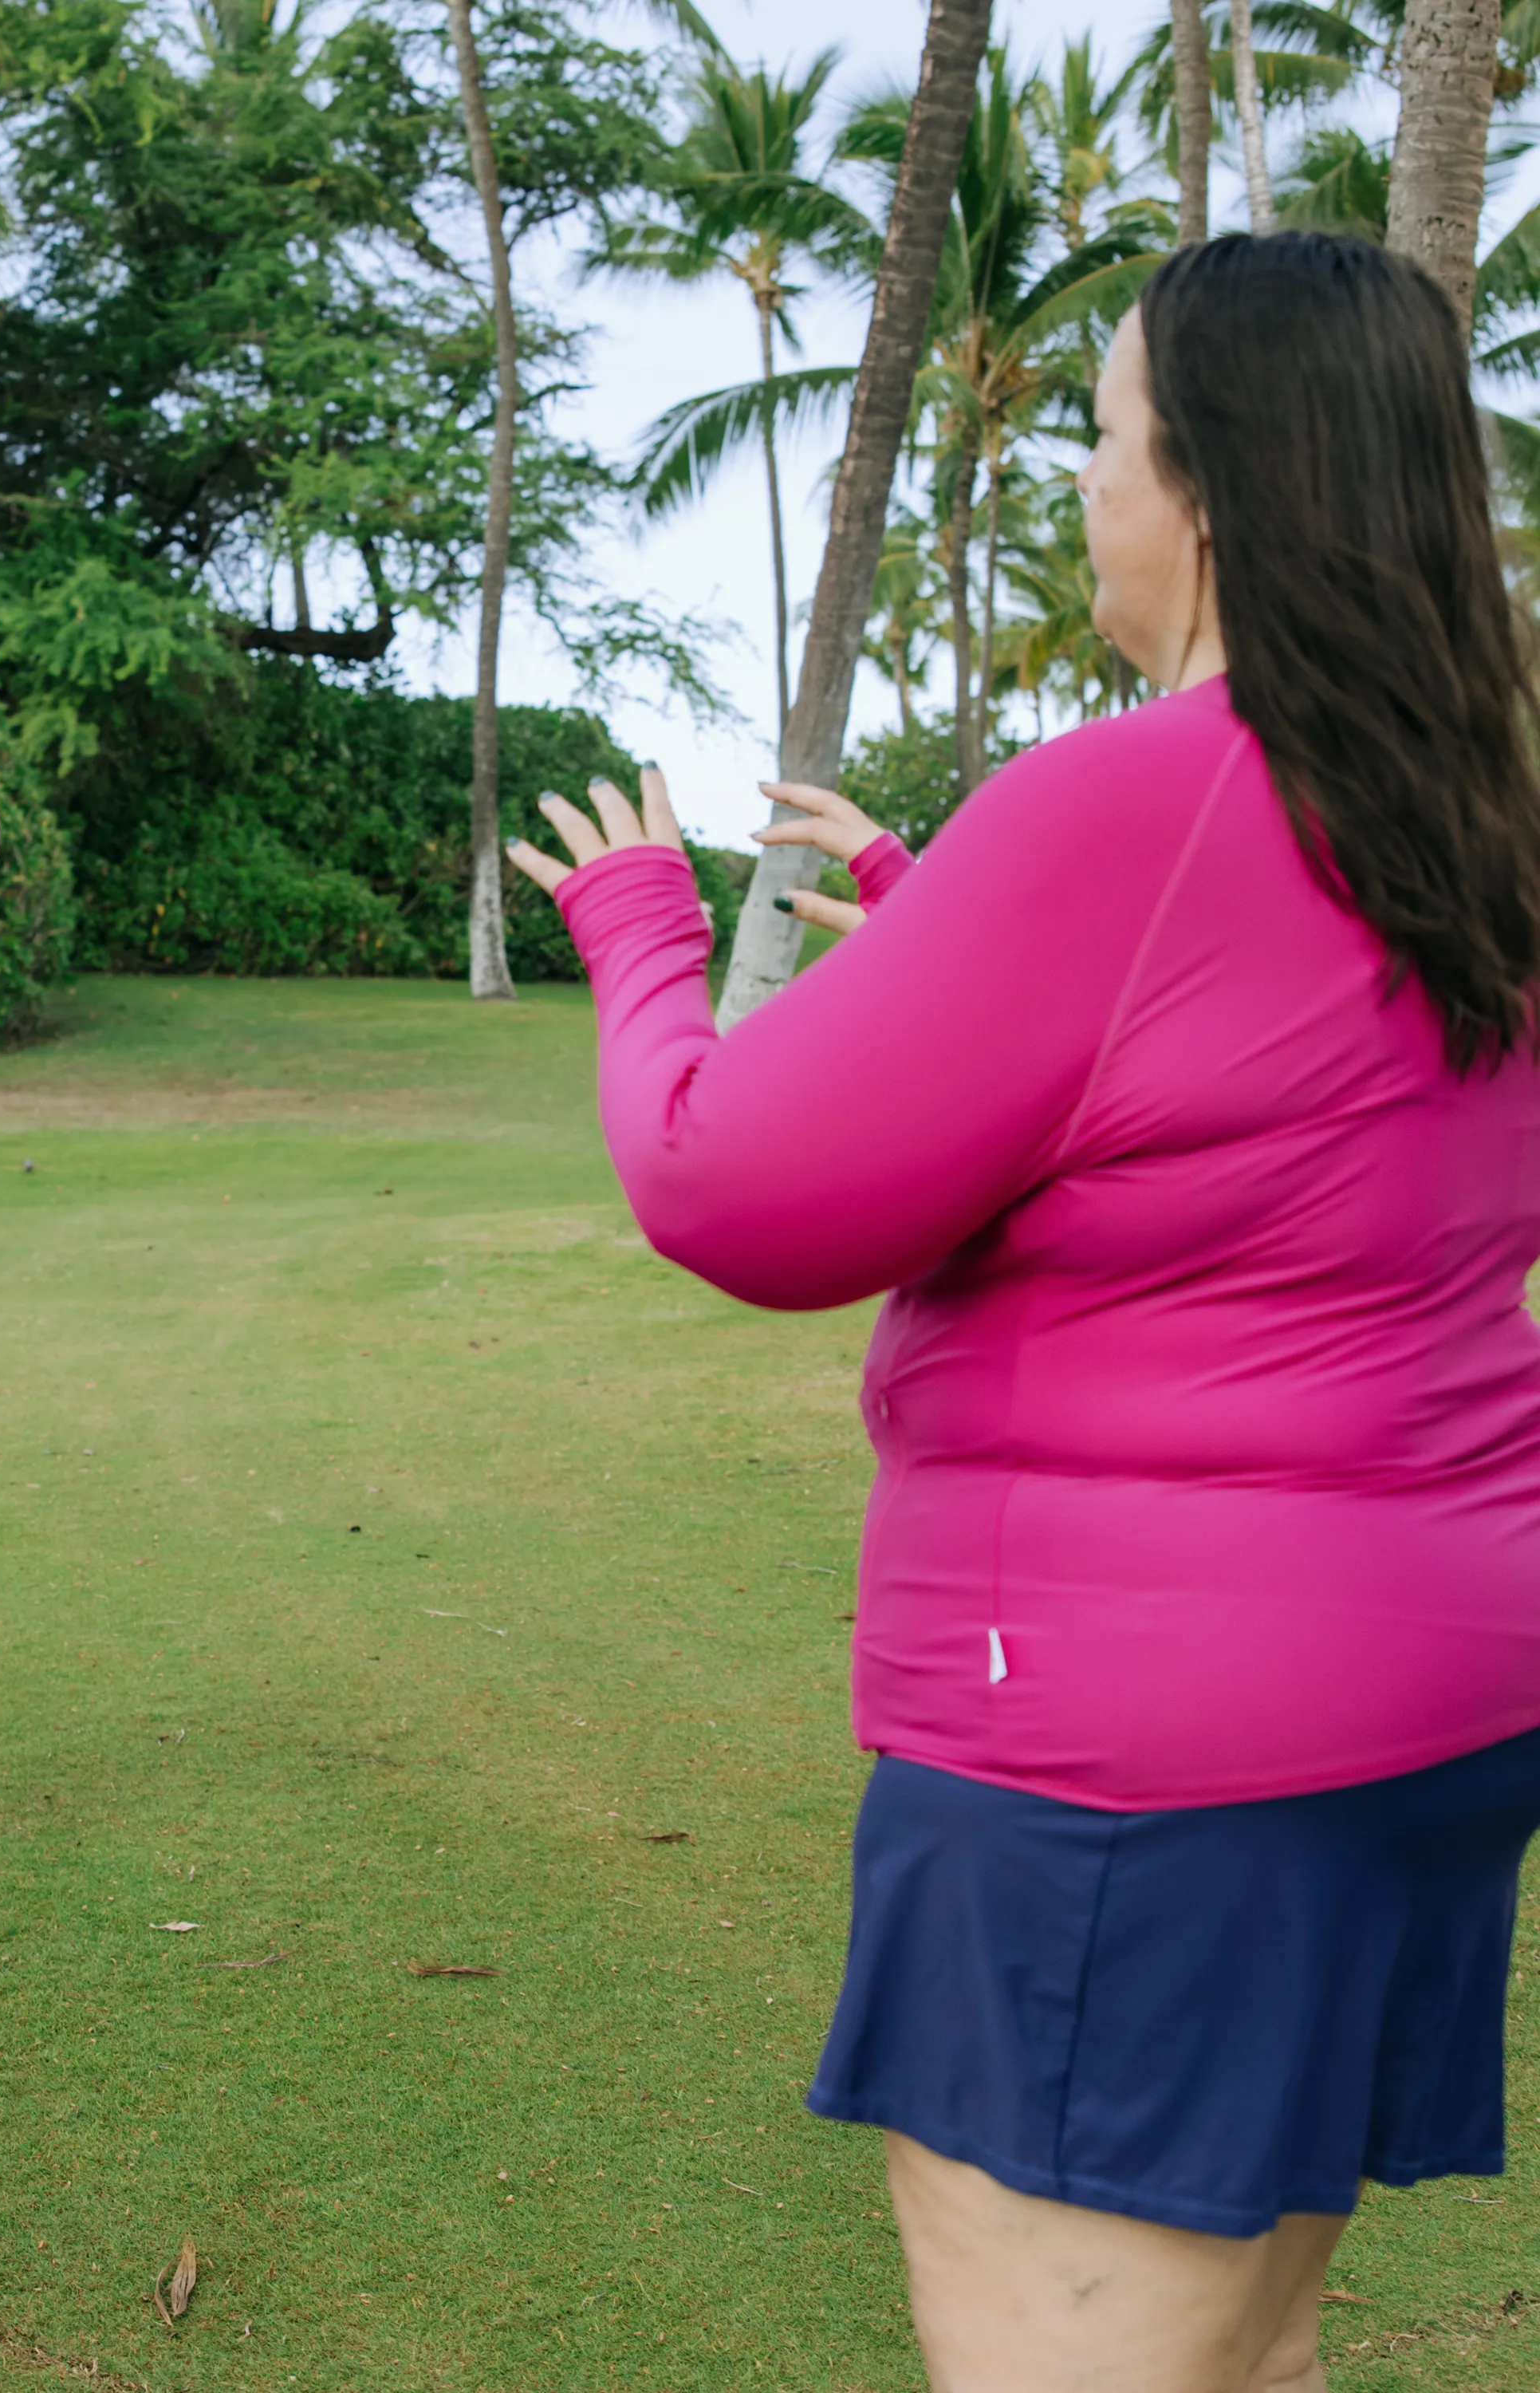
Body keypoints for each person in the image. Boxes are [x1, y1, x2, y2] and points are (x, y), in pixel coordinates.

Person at [510, 231, 1540, 2391]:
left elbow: (731, 1185)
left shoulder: (1131, 801)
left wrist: (637, 937)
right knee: (1249, 2356)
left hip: (1139, 1763)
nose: (1079, 483)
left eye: (1102, 435)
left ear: (1210, 485)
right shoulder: (1474, 815)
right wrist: (925, 897)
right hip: (1423, 1727)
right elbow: (1259, 1088)